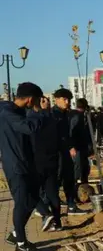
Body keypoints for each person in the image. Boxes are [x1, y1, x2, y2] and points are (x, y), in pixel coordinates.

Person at [0, 83, 44, 251]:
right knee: (21, 202)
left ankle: (15, 233)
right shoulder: (8, 114)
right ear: (31, 99)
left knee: (33, 199)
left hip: (26, 162)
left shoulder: (13, 110)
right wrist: (37, 111)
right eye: (38, 100)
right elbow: (29, 127)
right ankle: (21, 243)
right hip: (15, 165)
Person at [30, 93, 65, 233]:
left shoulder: (32, 119)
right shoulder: (52, 119)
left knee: (31, 192)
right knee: (52, 193)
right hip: (52, 160)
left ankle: (46, 214)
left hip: (36, 161)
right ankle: (57, 223)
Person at [51, 90, 87, 215]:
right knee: (57, 179)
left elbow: (68, 134)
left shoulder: (66, 114)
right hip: (57, 153)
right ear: (56, 99)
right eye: (64, 99)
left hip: (66, 152)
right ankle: (50, 207)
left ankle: (71, 205)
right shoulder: (52, 114)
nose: (67, 102)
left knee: (69, 179)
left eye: (69, 100)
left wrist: (71, 146)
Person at [71, 98, 93, 186]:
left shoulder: (84, 116)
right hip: (78, 147)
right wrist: (72, 146)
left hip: (83, 146)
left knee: (85, 167)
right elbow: (72, 132)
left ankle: (84, 184)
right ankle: (75, 187)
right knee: (78, 167)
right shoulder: (76, 117)